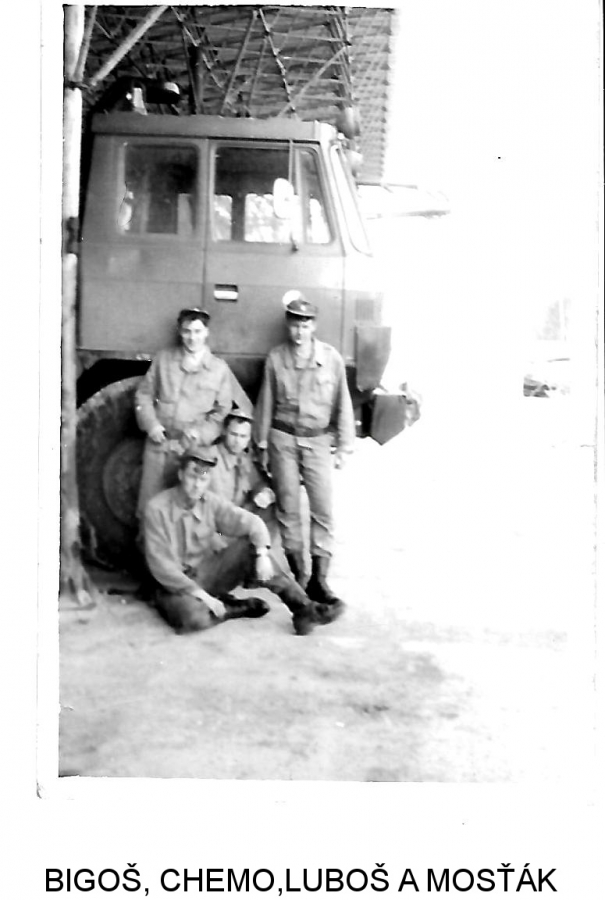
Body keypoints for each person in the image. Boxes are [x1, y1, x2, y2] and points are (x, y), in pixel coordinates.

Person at [143, 447, 325, 636]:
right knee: (192, 618)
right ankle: (233, 608)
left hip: (205, 572)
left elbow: (251, 522)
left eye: (203, 479)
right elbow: (162, 567)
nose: (197, 485)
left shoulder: (210, 502)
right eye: (192, 477)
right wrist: (203, 596)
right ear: (181, 475)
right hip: (173, 586)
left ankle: (303, 607)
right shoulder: (156, 508)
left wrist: (262, 553)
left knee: (250, 548)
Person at [254, 291, 356, 611]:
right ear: (288, 325)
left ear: (314, 326)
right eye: (295, 324)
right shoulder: (276, 358)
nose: (299, 331)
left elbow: (342, 403)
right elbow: (266, 403)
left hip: (318, 441)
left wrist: (344, 445)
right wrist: (261, 444)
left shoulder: (331, 359)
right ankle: (300, 574)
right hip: (283, 439)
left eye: (305, 325)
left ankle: (319, 580)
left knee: (322, 509)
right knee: (288, 508)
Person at [134, 308, 235, 517]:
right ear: (180, 332)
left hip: (195, 452)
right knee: (150, 508)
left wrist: (201, 433)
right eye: (187, 331)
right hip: (160, 447)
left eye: (197, 331)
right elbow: (143, 395)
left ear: (206, 332)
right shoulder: (163, 360)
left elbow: (221, 413)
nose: (192, 338)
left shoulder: (219, 369)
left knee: (191, 509)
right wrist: (151, 425)